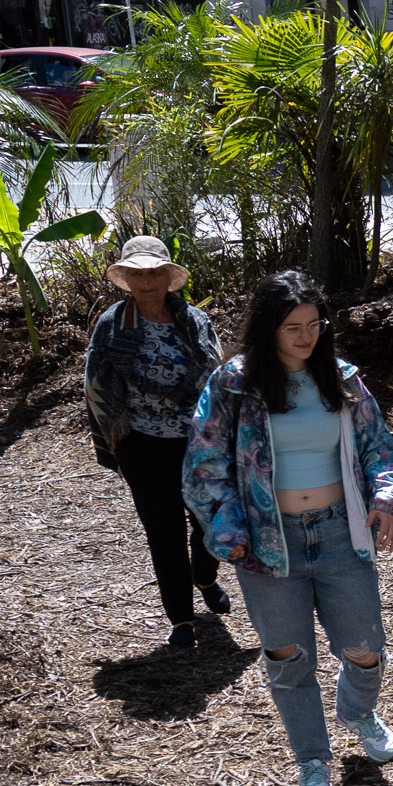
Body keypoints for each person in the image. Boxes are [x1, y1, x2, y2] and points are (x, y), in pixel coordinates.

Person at [185, 272, 393, 786]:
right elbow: (203, 467)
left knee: (365, 646)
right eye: (293, 327)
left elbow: (379, 450)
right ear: (268, 328)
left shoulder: (342, 380)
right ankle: (312, 762)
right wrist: (227, 529)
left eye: (315, 325)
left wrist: (387, 499)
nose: (306, 336)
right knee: (288, 656)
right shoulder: (233, 385)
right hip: (265, 543)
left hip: (340, 532)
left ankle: (358, 713)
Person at [82, 236, 226, 649]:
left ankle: (205, 576)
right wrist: (114, 435)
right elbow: (96, 381)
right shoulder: (112, 323)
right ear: (127, 279)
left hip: (197, 440)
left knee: (207, 519)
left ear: (168, 277)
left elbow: (216, 374)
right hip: (141, 442)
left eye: (154, 273)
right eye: (137, 274)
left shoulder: (194, 320)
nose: (147, 282)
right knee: (163, 530)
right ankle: (181, 619)